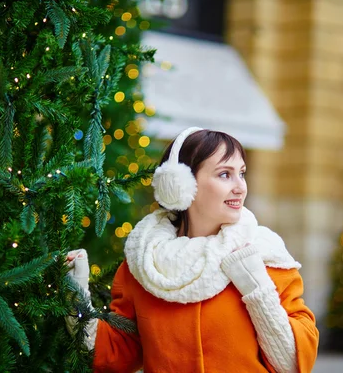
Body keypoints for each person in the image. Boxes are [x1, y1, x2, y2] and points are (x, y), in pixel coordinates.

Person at [66, 127, 319, 372]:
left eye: (241, 173)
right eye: (224, 174)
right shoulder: (145, 263)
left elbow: (292, 364)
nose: (240, 186)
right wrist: (74, 295)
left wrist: (256, 286)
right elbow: (115, 355)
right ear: (181, 185)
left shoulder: (263, 255)